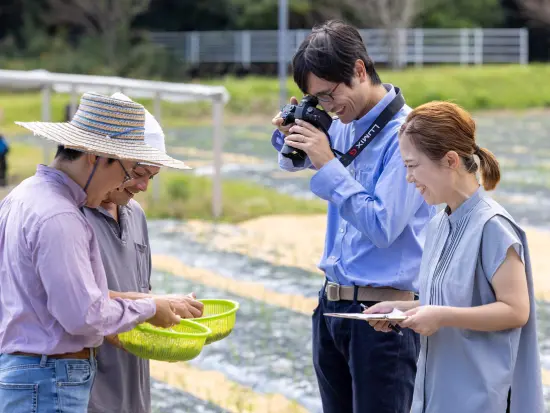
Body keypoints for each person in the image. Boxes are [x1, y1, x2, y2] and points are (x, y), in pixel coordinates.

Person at [271, 20, 434, 413]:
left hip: (384, 317)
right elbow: (294, 164)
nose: (328, 107)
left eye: (329, 95)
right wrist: (293, 133)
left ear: (359, 70)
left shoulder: (408, 136)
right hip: (331, 307)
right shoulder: (342, 123)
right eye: (317, 100)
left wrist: (327, 162)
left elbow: (383, 226)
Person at [0, 92, 190, 413]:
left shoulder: (22, 196)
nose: (128, 182)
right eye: (129, 171)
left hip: (31, 376)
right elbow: (83, 317)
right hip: (51, 380)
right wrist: (147, 308)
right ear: (96, 156)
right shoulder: (61, 216)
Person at [365, 101, 544, 413]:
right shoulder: (438, 223)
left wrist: (441, 316)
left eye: (412, 165)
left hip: (479, 398)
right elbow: (452, 300)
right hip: (435, 395)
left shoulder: (493, 228)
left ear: (449, 160)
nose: (408, 178)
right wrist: (401, 309)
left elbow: (516, 311)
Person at [86, 92, 203, 413]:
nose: (142, 186)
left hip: (132, 388)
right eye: (137, 175)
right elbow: (82, 306)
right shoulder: (68, 217)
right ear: (103, 160)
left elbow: (140, 294)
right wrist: (154, 307)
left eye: (152, 177)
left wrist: (170, 308)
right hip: (82, 392)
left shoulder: (135, 215)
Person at [0, 108, 9, 187]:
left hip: (2, 154)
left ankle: (2, 181)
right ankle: (2, 181)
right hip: (2, 154)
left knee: (3, 167)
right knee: (3, 167)